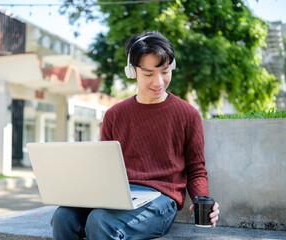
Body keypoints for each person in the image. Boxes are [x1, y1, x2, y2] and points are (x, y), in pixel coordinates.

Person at [51, 31, 220, 239]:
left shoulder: (187, 114)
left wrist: (203, 199)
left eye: (165, 71)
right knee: (63, 217)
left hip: (162, 200)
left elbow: (196, 169)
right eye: (148, 74)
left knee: (100, 221)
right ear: (132, 72)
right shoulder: (115, 115)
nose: (158, 82)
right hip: (120, 196)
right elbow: (106, 168)